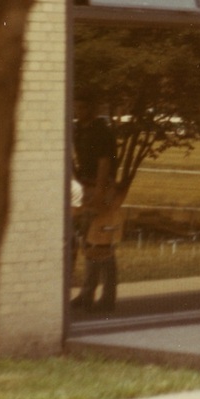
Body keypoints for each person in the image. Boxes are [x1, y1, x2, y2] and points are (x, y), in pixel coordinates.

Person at [71, 99, 123, 313]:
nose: (78, 109)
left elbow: (105, 162)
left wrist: (101, 191)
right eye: (76, 105)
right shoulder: (78, 130)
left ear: (92, 108)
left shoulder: (101, 131)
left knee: (101, 243)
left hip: (101, 187)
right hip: (86, 185)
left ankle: (108, 297)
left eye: (82, 105)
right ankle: (86, 294)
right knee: (89, 243)